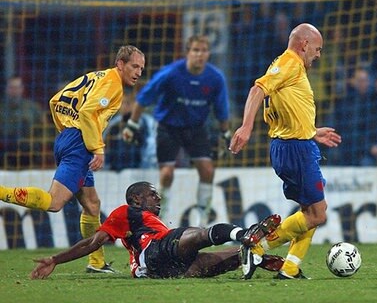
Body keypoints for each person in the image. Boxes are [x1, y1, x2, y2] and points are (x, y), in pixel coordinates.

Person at [0, 45, 146, 273]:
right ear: (120, 64)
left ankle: (96, 263)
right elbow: (88, 113)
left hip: (70, 138)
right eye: (134, 66)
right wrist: (97, 148)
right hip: (80, 144)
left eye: (141, 68)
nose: (138, 72)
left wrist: (67, 130)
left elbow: (55, 101)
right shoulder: (113, 84)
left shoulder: (97, 76)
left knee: (91, 204)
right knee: (54, 202)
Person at [230, 23, 342, 280]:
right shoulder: (290, 63)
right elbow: (257, 89)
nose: (319, 54)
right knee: (317, 213)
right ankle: (256, 247)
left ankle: (289, 268)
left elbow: (286, 106)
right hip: (295, 149)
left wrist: (311, 131)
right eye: (317, 48)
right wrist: (246, 127)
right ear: (304, 44)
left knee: (311, 210)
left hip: (294, 144)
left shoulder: (284, 65)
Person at [30, 181, 284, 279]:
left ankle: (252, 255)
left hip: (166, 270)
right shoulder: (125, 213)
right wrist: (55, 259)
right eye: (153, 195)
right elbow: (92, 243)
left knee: (222, 259)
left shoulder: (149, 218)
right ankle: (246, 235)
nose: (158, 199)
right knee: (197, 234)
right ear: (136, 199)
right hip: (153, 255)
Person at [123, 35, 231, 226]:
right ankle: (161, 219)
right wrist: (132, 125)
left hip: (196, 128)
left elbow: (222, 110)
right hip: (168, 127)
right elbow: (144, 97)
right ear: (188, 52)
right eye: (196, 50)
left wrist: (226, 134)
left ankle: (202, 221)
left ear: (208, 54)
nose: (200, 55)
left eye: (204, 51)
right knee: (167, 174)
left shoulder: (215, 78)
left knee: (207, 170)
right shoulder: (171, 73)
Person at [0, 76, 47, 168]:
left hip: (29, 150)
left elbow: (44, 128)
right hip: (4, 150)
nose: (14, 91)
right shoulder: (1, 108)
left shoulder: (33, 108)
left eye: (17, 87)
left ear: (22, 89)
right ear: (6, 89)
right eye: (11, 87)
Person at [104, 89, 157, 171]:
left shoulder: (147, 123)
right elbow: (104, 146)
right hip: (114, 171)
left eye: (128, 103)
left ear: (135, 104)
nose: (124, 106)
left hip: (139, 170)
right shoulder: (113, 125)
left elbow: (151, 147)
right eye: (122, 103)